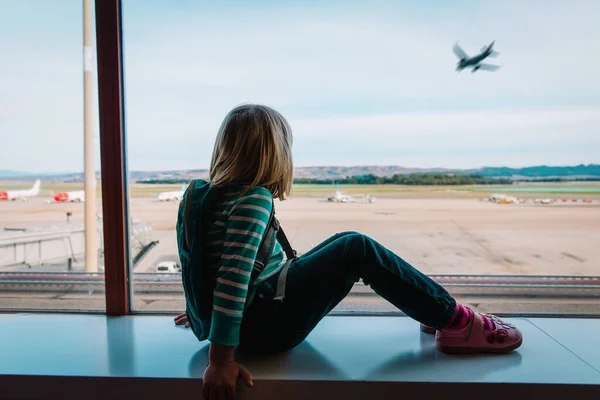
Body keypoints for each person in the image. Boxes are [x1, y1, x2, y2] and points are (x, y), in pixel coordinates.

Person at [174, 104, 523, 400]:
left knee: (343, 240)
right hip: (264, 328)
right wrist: (220, 361)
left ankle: (432, 309)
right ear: (274, 152)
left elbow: (199, 261)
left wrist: (201, 310)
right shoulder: (253, 198)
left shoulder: (198, 194)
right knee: (355, 247)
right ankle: (457, 323)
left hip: (244, 318)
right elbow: (233, 279)